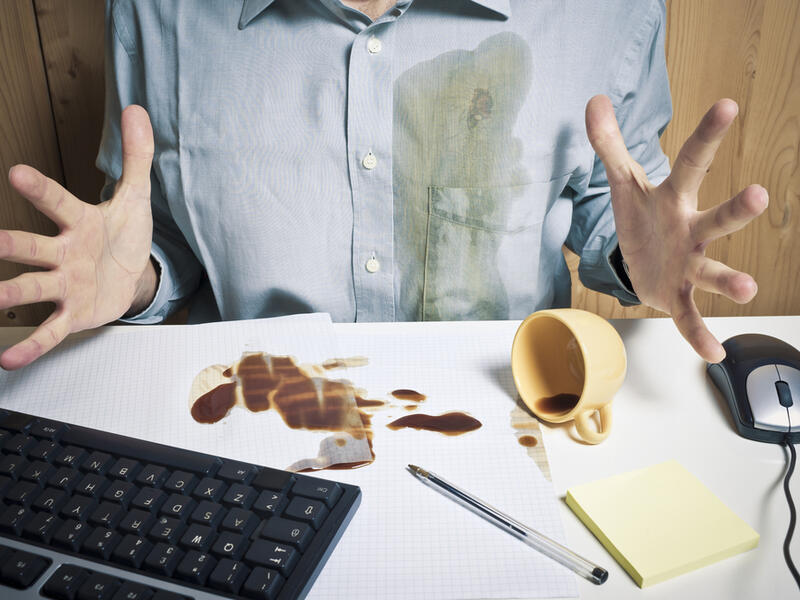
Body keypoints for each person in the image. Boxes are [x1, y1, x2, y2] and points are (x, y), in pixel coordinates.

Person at [0, 0, 768, 370]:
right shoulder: (155, 9)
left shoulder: (604, 10)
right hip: (251, 433)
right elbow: (159, 235)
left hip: (513, 422)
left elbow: (619, 214)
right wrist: (134, 282)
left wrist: (643, 266)